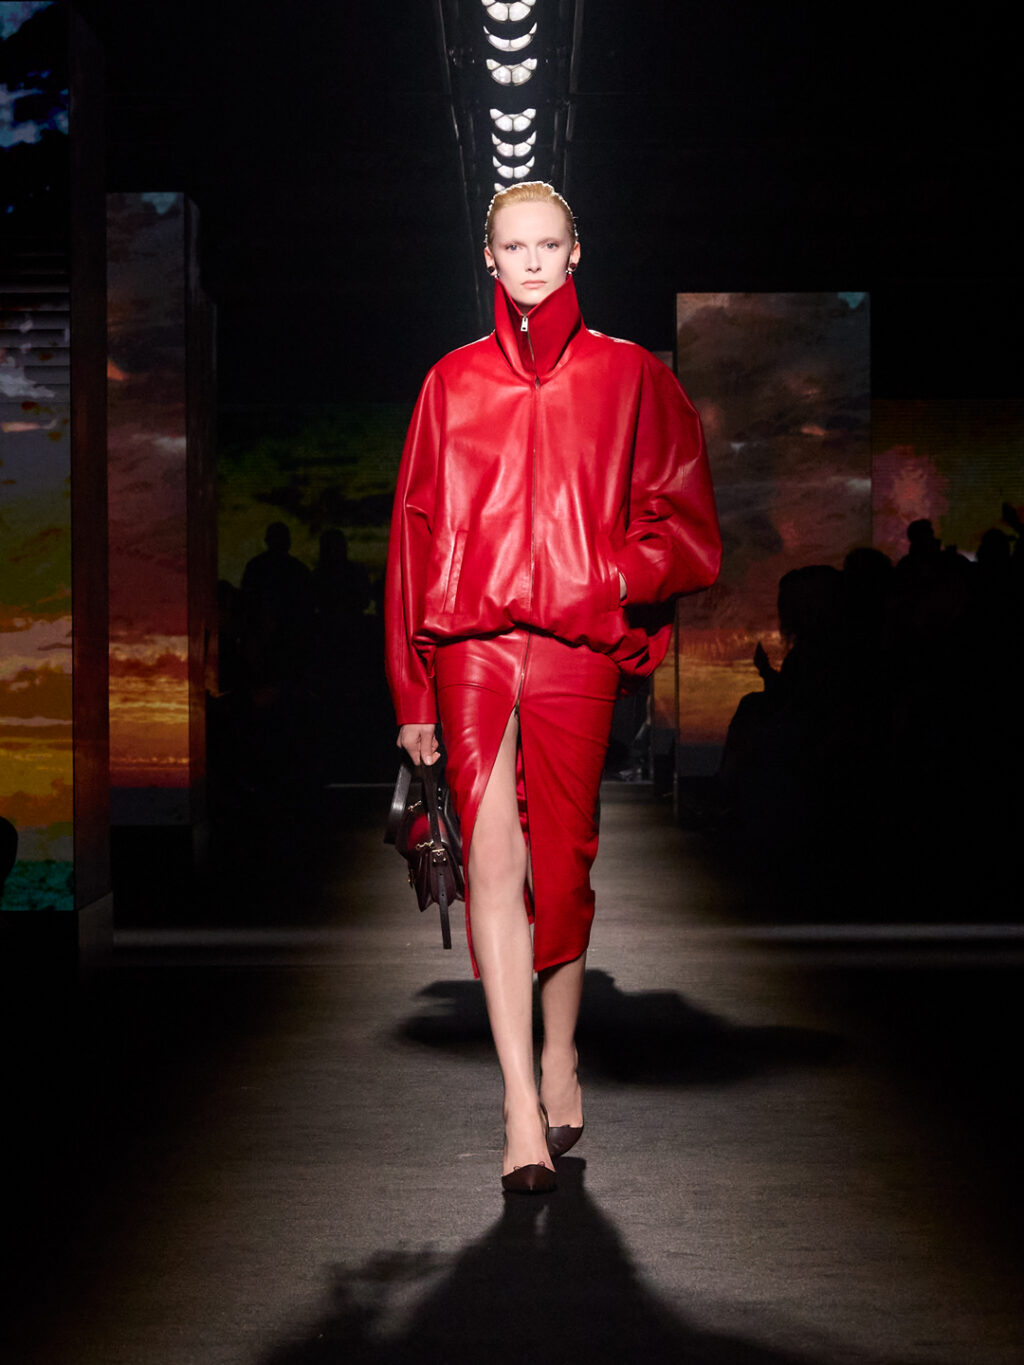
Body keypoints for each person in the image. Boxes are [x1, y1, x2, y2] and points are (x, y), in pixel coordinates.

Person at [385, 182, 720, 1193]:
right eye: (512, 246)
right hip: (472, 646)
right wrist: (411, 695)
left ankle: (561, 1051)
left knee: (562, 867)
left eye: (547, 244)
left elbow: (688, 531)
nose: (530, 261)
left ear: (577, 252)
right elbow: (412, 539)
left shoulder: (631, 377)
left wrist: (604, 576)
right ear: (487, 259)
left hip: (575, 647)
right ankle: (518, 1105)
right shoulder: (450, 383)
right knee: (492, 859)